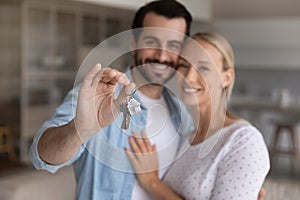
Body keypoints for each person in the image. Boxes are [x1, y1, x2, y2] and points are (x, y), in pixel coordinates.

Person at [30, 1, 193, 199]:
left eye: (173, 45)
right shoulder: (96, 96)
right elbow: (41, 156)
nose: (162, 55)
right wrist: (80, 129)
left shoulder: (181, 112)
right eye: (151, 42)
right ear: (133, 45)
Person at [125, 32, 270, 199]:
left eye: (203, 68)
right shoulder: (187, 139)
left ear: (226, 77)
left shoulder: (243, 141)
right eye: (183, 66)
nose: (188, 77)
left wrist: (152, 182)